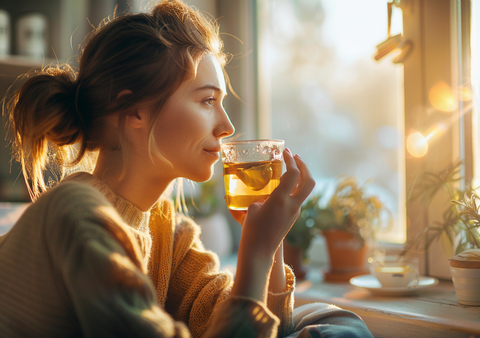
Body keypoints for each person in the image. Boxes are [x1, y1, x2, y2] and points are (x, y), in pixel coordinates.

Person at [0, 1, 374, 337]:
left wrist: (269, 241)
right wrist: (256, 252)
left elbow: (262, 324)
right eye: (207, 100)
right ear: (135, 112)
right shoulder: (78, 216)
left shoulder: (168, 230)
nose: (227, 126)